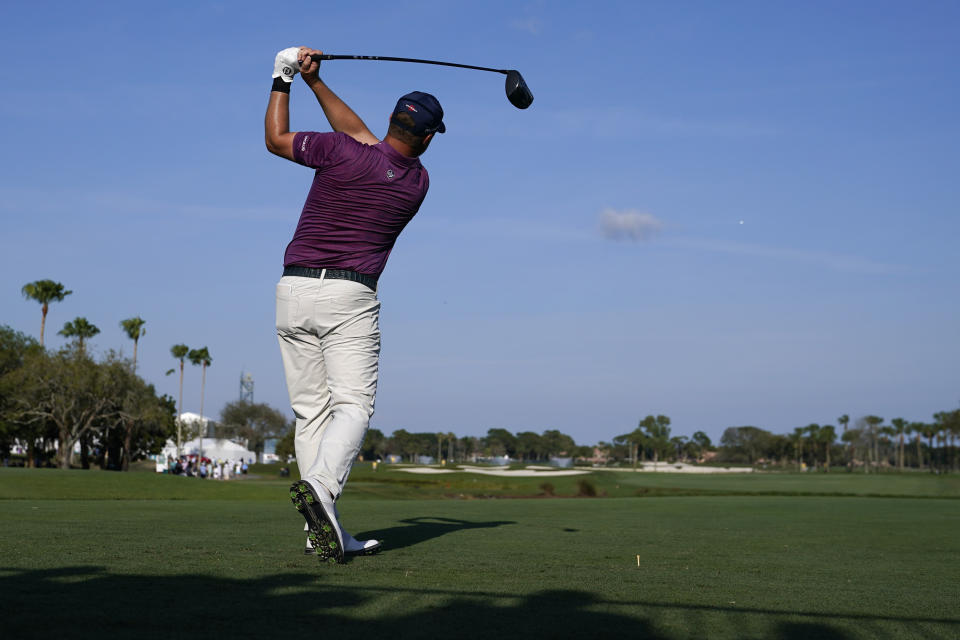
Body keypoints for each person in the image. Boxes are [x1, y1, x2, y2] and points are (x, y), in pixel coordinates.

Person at [265, 46, 443, 563]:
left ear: (390, 121)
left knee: (311, 414)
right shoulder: (416, 183)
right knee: (354, 406)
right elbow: (365, 138)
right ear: (429, 138)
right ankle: (320, 491)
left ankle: (323, 530)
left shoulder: (341, 152)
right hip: (349, 295)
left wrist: (284, 79)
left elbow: (277, 139)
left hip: (292, 291)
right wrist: (317, 83)